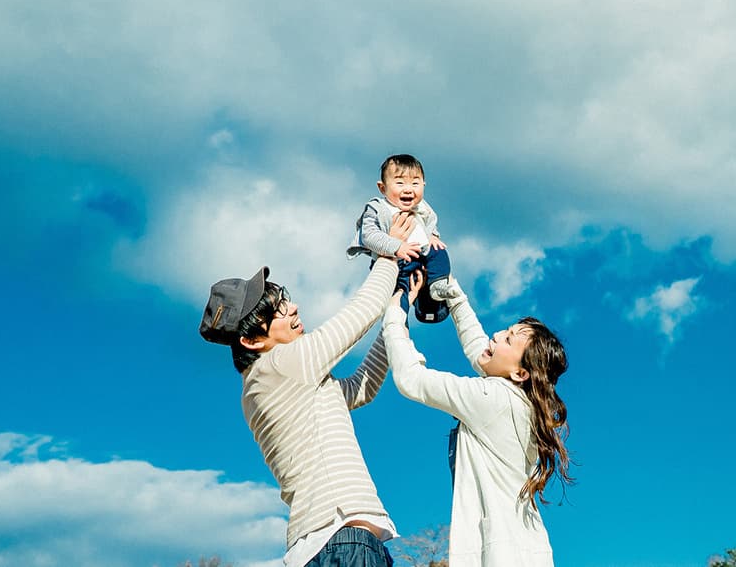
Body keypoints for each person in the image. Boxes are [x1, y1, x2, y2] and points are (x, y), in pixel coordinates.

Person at [200, 214, 423, 567]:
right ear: (251, 340)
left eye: (284, 299)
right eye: (277, 310)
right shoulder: (281, 365)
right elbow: (359, 314)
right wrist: (389, 253)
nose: (293, 308)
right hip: (343, 541)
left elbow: (360, 388)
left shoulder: (267, 384)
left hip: (322, 546)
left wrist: (396, 314)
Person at [381, 269, 573, 567]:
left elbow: (412, 379)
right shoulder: (516, 400)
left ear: (520, 373)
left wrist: (394, 315)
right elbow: (480, 352)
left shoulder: (494, 399)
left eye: (508, 339)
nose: (496, 335)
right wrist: (452, 293)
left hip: (503, 555)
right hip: (521, 551)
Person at [348, 153, 458, 324]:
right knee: (399, 296)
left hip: (420, 254)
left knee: (439, 251)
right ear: (382, 188)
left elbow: (430, 221)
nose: (408, 189)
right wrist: (397, 246)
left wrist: (434, 235)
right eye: (399, 183)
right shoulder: (378, 208)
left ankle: (437, 286)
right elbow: (368, 236)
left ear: (423, 185)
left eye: (415, 183)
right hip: (395, 262)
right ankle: (398, 324)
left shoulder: (421, 207)